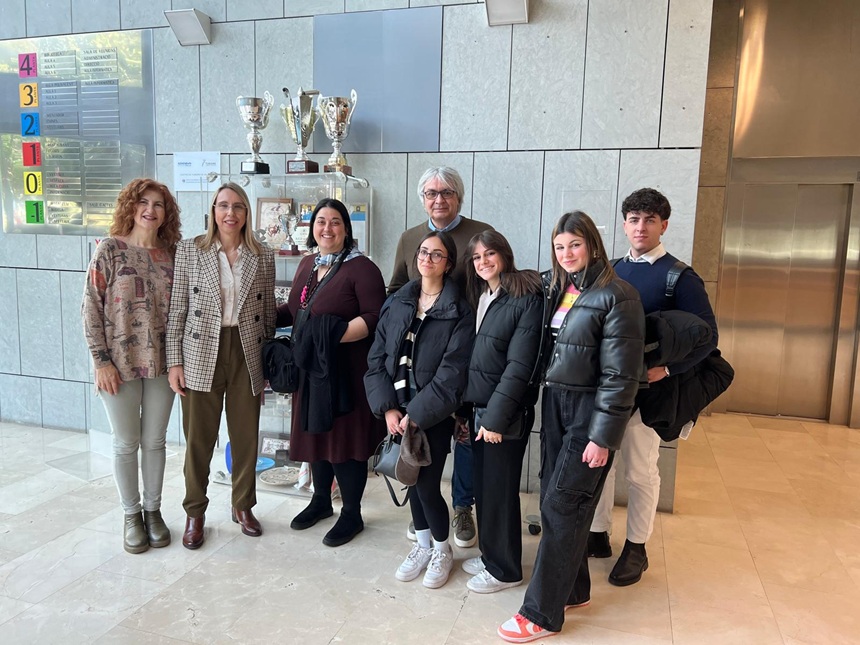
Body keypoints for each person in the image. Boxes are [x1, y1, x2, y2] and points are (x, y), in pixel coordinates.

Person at [498, 211, 645, 643]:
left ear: (593, 245)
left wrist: (603, 437)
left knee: (564, 506)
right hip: (555, 403)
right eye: (559, 246)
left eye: (575, 245)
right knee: (555, 496)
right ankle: (575, 589)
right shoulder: (560, 288)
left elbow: (621, 376)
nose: (566, 253)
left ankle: (541, 613)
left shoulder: (619, 295)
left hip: (589, 409)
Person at [588, 187, 718, 586]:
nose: (640, 227)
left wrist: (670, 369)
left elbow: (708, 337)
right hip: (609, 390)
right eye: (634, 219)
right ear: (624, 225)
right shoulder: (609, 270)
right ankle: (597, 534)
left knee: (640, 470)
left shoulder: (680, 277)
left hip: (649, 393)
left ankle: (636, 548)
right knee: (601, 464)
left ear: (664, 225)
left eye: (649, 220)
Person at [166, 182, 276, 549]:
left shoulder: (262, 254)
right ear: (213, 210)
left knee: (245, 437)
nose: (231, 213)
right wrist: (174, 362)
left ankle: (243, 505)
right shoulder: (190, 250)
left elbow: (267, 313)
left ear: (247, 213)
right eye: (223, 205)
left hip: (246, 351)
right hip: (200, 351)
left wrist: (267, 363)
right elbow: (177, 309)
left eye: (238, 206)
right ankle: (195, 512)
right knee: (198, 440)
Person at [388, 166, 493, 549]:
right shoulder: (409, 238)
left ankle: (462, 506)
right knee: (419, 430)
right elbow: (397, 287)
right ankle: (424, 508)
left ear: (459, 197)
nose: (439, 199)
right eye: (431, 193)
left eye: (446, 192)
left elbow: (493, 282)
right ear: (422, 199)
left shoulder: (479, 234)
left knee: (464, 433)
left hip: (471, 351)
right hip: (423, 354)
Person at [365, 231, 475, 589]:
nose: (427, 259)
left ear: (449, 264)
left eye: (436, 254)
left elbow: (453, 374)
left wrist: (417, 413)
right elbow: (376, 359)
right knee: (408, 480)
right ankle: (423, 547)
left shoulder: (459, 310)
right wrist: (388, 409)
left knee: (427, 485)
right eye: (423, 252)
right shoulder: (398, 301)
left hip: (433, 414)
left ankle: (442, 550)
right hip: (397, 412)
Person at [276, 198, 386, 547]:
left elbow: (374, 317)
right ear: (312, 229)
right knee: (317, 434)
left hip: (346, 371)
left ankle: (351, 513)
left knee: (344, 440)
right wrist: (260, 315)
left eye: (335, 222)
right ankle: (321, 500)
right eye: (321, 221)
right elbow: (295, 309)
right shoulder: (307, 263)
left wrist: (332, 336)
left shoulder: (363, 268)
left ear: (346, 229)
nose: (327, 228)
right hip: (311, 369)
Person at [82, 178, 181, 554]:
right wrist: (100, 361)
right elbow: (90, 307)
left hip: (162, 364)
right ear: (131, 206)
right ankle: (131, 515)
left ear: (166, 213)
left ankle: (153, 512)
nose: (150, 210)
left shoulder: (172, 255)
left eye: (158, 204)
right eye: (143, 202)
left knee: (154, 441)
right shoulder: (110, 249)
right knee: (126, 442)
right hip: (118, 365)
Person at [459, 230, 543, 594]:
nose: (483, 262)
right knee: (485, 489)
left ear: (504, 254)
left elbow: (518, 367)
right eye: (477, 257)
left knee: (500, 492)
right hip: (480, 410)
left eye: (490, 254)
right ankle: (492, 554)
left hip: (503, 415)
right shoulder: (483, 295)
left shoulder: (524, 297)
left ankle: (506, 569)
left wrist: (495, 418)